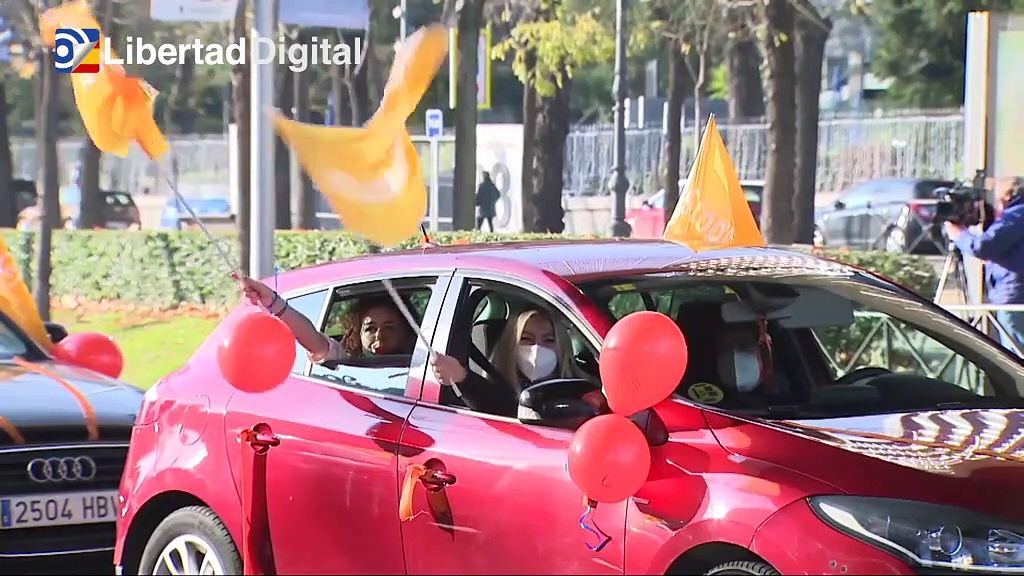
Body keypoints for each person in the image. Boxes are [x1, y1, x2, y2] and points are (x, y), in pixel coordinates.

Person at [431, 308, 605, 417]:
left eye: (549, 340)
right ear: (511, 346)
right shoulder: (498, 389)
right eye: (526, 339)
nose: (537, 349)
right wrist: (462, 377)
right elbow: (498, 406)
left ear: (562, 346)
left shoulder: (583, 387)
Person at [237, 275, 417, 363]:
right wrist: (274, 303)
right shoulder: (346, 363)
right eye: (370, 328)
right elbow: (315, 342)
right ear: (358, 334)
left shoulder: (422, 366)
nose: (379, 336)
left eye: (389, 327)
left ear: (406, 331)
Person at [945, 177, 1024, 354]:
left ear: (1007, 196)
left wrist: (958, 234)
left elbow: (983, 246)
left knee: (1016, 357)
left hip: (1014, 299)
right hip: (1014, 296)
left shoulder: (1017, 215)